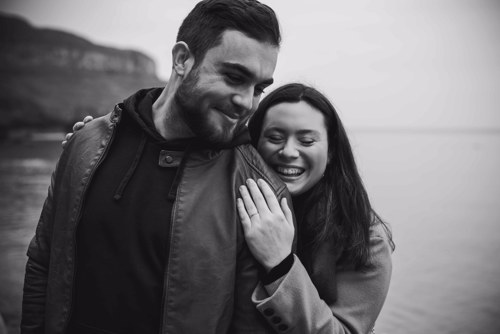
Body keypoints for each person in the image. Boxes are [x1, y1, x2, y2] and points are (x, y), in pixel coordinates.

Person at [21, 1, 292, 333]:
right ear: (182, 59)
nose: (247, 101)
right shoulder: (85, 143)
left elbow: (248, 326)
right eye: (235, 77)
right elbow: (43, 263)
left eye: (259, 88)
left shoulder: (257, 188)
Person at [237, 83, 395, 333]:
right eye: (275, 138)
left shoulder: (365, 238)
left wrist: (280, 265)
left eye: (307, 141)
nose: (289, 151)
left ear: (331, 151)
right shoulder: (235, 207)